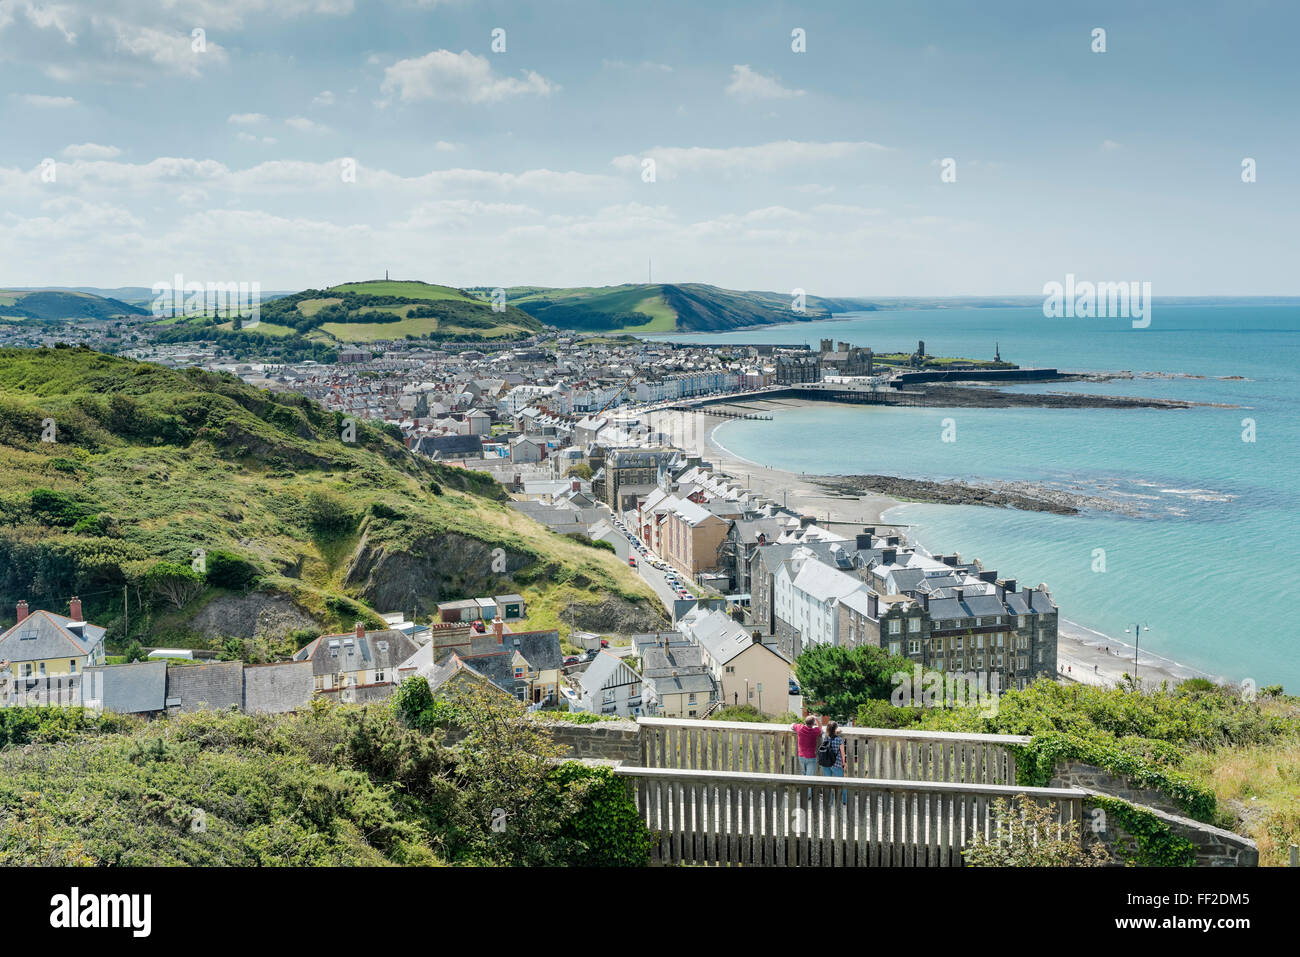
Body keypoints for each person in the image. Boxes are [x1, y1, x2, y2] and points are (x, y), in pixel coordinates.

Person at [818, 721, 848, 804]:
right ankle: (843, 801)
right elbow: (842, 753)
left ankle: (829, 801)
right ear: (835, 729)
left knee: (828, 783)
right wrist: (844, 763)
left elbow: (824, 730)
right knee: (841, 783)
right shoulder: (839, 739)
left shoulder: (825, 737)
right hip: (836, 764)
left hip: (825, 763)